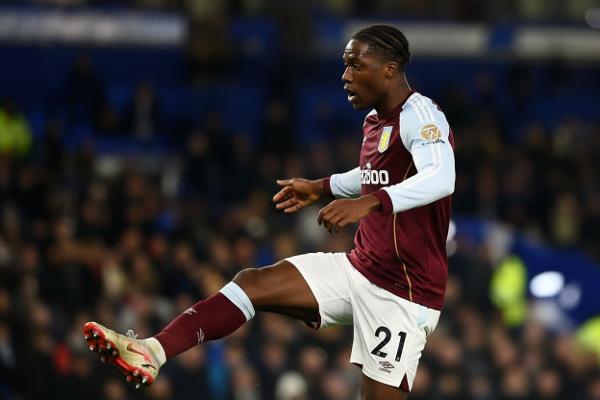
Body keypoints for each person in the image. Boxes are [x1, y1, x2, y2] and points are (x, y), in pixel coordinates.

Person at [83, 24, 456, 399]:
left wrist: (369, 202)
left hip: (403, 294)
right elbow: (375, 174)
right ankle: (152, 350)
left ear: (389, 70)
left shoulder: (422, 115)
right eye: (346, 65)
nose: (346, 76)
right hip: (361, 269)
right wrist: (321, 187)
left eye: (356, 66)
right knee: (253, 284)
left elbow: (441, 176)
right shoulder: (375, 121)